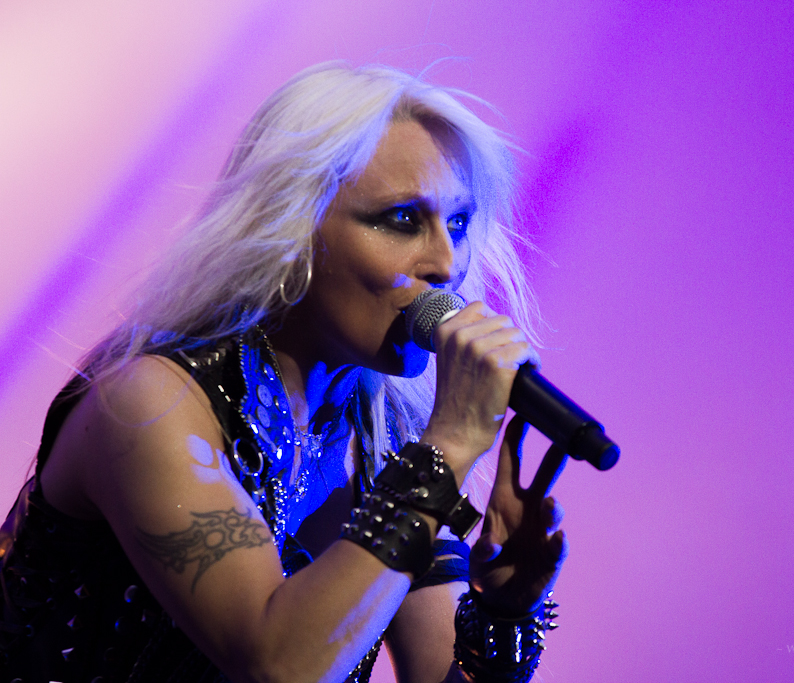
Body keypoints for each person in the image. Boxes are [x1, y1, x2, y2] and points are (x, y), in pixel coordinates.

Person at [0, 62, 568, 683]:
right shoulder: (149, 405)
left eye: (457, 224)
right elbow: (279, 665)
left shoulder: (384, 446)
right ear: (293, 228)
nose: (446, 263)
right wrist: (449, 447)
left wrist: (505, 615)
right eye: (403, 219)